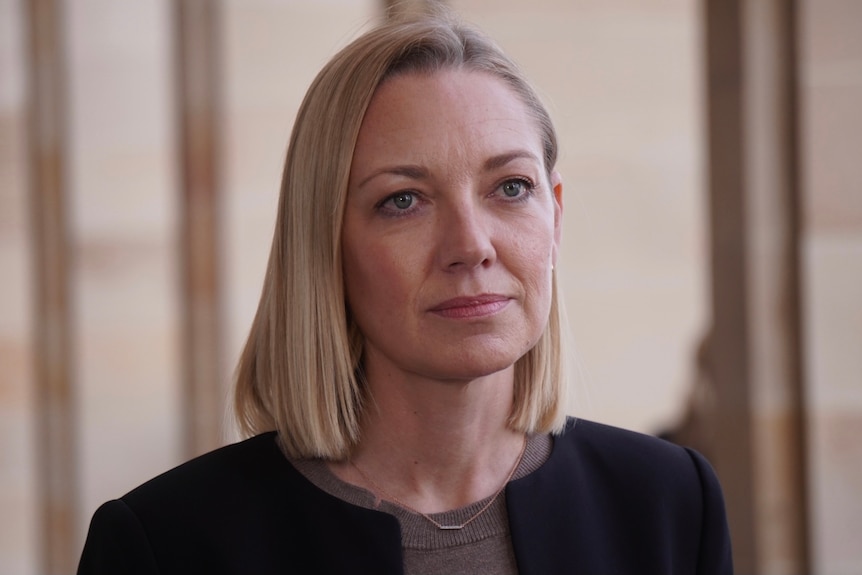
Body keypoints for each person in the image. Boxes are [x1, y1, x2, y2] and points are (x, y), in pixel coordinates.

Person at [77, 9, 733, 575]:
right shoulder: (166, 545)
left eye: (510, 187)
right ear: (323, 244)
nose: (470, 244)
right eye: (404, 200)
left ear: (555, 217)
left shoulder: (670, 502)